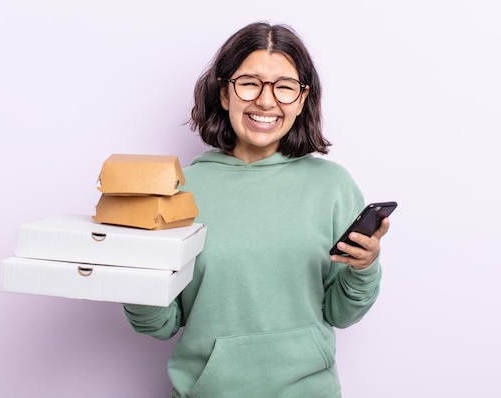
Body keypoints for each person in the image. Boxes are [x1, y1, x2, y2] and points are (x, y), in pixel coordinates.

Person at [123, 21, 390, 398]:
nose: (266, 101)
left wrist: (364, 267)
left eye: (284, 87)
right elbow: (162, 324)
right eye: (250, 83)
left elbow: (343, 313)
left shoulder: (333, 186)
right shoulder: (179, 190)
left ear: (301, 99)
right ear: (224, 92)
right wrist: (129, 273)